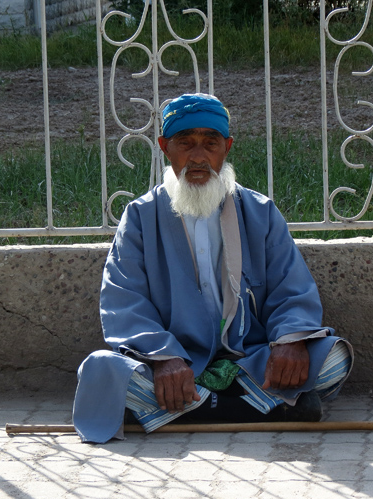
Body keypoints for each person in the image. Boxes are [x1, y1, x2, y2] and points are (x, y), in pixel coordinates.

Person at [72, 93, 352, 443]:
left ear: (227, 148)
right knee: (103, 370)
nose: (199, 157)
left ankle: (192, 409)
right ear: (165, 147)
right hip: (175, 365)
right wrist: (163, 358)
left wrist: (289, 342)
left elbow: (290, 288)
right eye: (185, 144)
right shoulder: (140, 217)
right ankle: (268, 408)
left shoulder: (260, 211)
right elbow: (123, 300)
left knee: (331, 359)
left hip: (250, 359)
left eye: (210, 143)